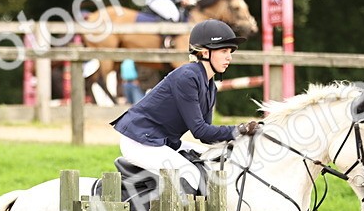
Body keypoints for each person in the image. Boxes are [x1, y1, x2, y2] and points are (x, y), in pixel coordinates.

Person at [111, 19, 260, 193]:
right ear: (204, 52)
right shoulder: (187, 77)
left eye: (231, 52)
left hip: (162, 141)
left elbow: (206, 136)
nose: (230, 57)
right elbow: (199, 131)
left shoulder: (209, 84)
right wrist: (239, 129)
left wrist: (241, 137)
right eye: (224, 51)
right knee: (191, 175)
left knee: (212, 159)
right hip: (140, 141)